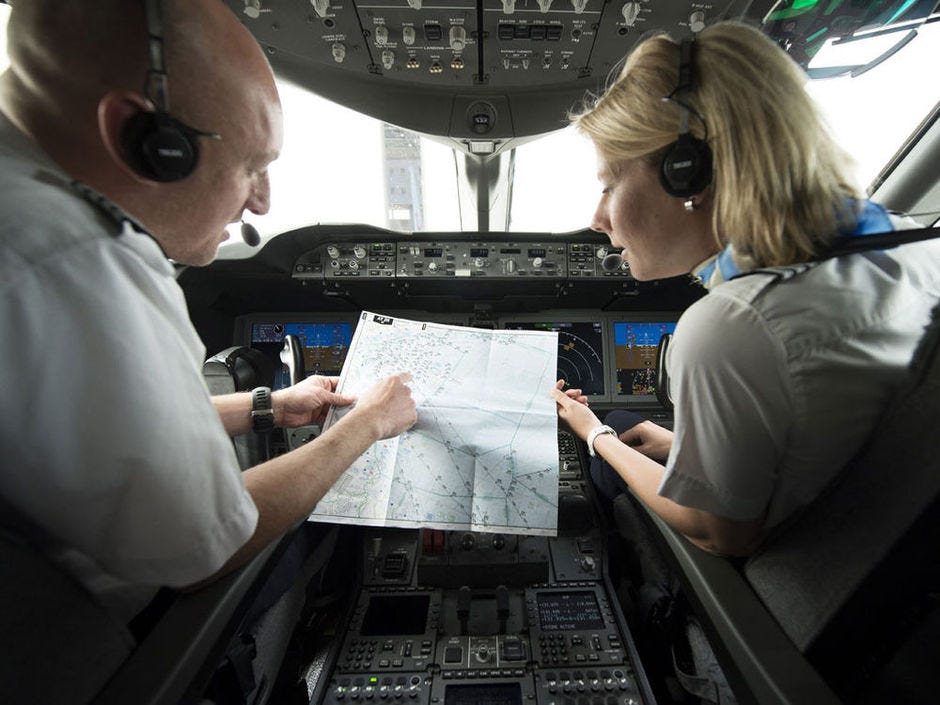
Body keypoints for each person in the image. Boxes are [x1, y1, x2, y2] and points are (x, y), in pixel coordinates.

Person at [0, 0, 416, 625]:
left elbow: (95, 427)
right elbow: (207, 548)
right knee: (332, 534)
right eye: (251, 167)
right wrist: (367, 425)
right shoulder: (80, 256)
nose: (262, 202)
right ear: (145, 142)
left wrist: (267, 406)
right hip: (107, 637)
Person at [552, 21, 940, 557]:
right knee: (632, 427)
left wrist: (596, 436)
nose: (597, 218)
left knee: (607, 455)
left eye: (609, 185)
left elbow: (716, 533)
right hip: (868, 535)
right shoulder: (909, 245)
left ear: (686, 173)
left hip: (773, 592)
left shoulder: (735, 325)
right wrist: (678, 446)